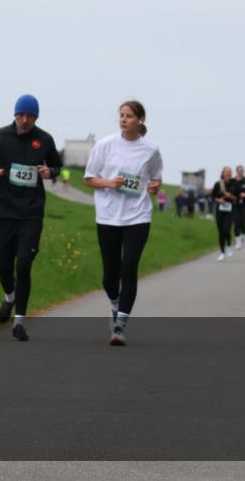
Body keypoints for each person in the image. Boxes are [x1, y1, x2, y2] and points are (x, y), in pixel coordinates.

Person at [0, 94, 62, 342]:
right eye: (21, 115)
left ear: (36, 117)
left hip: (31, 212)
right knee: (3, 263)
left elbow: (57, 166)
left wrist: (50, 172)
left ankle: (19, 321)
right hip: (3, 211)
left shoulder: (45, 140)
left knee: (23, 264)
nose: (25, 120)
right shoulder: (0, 137)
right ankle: (9, 296)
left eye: (30, 116)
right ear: (15, 114)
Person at [84, 100, 163, 346]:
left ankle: (120, 325)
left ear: (140, 120)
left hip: (138, 216)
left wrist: (154, 186)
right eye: (121, 115)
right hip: (108, 215)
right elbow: (89, 178)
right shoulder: (105, 145)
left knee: (128, 269)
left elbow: (156, 178)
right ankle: (115, 305)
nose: (123, 119)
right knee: (110, 275)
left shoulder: (151, 150)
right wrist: (110, 183)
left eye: (129, 116)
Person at [211, 166, 237, 261]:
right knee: (221, 232)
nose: (229, 173)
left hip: (230, 210)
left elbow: (238, 198)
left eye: (230, 172)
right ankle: (222, 252)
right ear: (223, 173)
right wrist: (218, 200)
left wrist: (231, 196)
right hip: (220, 210)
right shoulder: (218, 184)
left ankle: (229, 245)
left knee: (226, 229)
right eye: (227, 172)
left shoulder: (234, 183)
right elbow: (212, 196)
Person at [232, 165, 245, 249]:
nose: (241, 172)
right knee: (237, 222)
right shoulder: (232, 181)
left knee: (243, 222)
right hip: (235, 204)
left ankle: (243, 236)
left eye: (242, 171)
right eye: (239, 170)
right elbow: (230, 190)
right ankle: (237, 241)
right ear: (236, 171)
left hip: (244, 204)